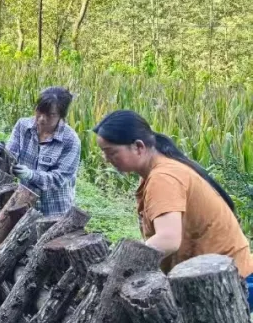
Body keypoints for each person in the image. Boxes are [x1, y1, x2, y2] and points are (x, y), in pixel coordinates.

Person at [94, 110, 253, 309]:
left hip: (226, 281)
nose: (106, 159)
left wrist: (121, 264)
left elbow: (168, 240)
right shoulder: (159, 170)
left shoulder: (163, 177)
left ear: (138, 147)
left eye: (111, 152)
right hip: (217, 275)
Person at [0, 86, 81, 216]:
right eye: (39, 111)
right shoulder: (23, 126)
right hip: (25, 205)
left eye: (50, 115)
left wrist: (30, 175)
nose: (41, 119)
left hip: (54, 211)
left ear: (61, 115)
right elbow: (10, 160)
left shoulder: (70, 140)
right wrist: (0, 155)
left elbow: (59, 179)